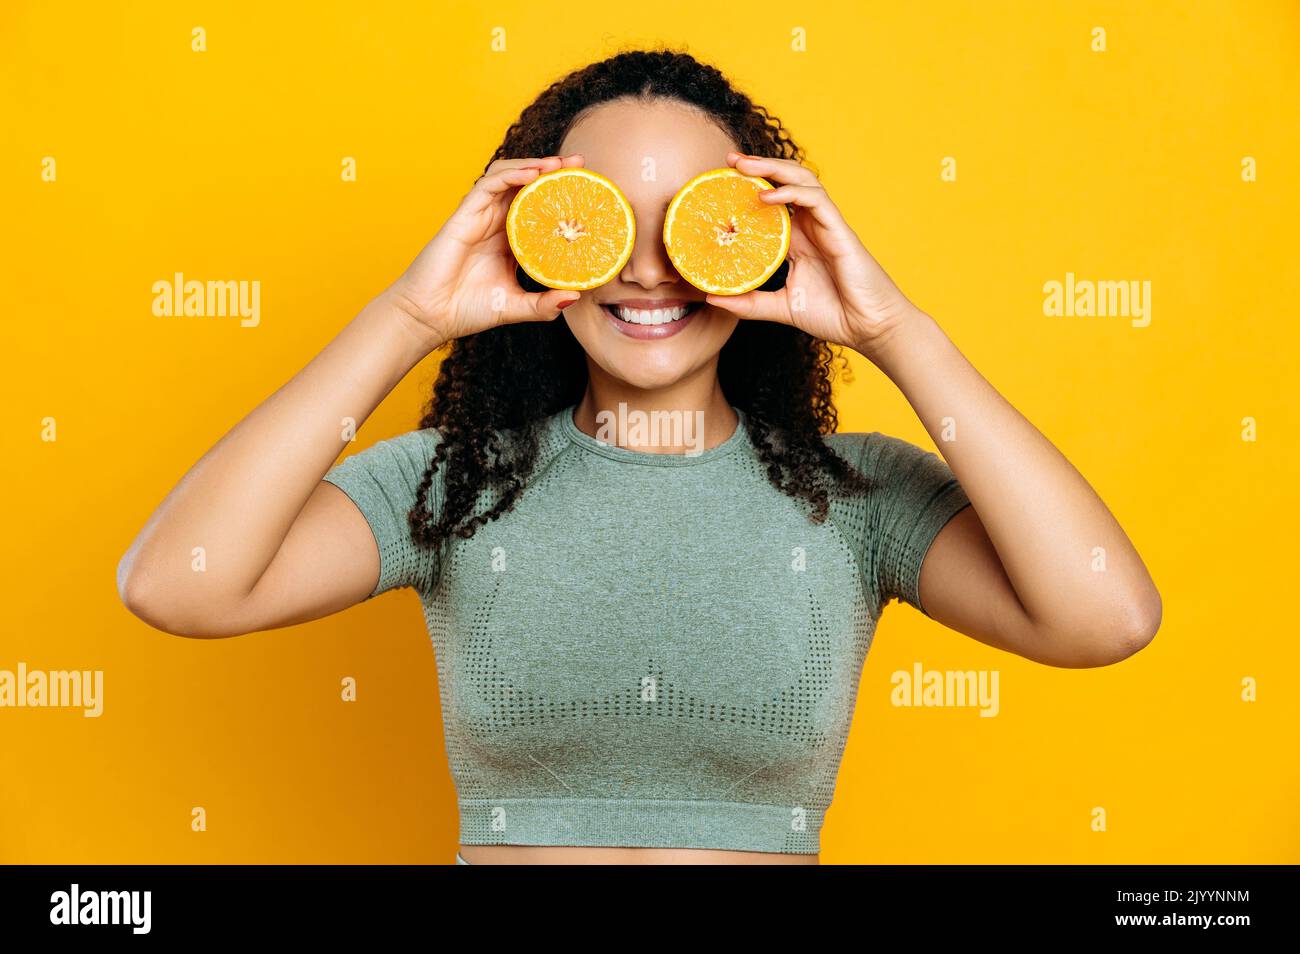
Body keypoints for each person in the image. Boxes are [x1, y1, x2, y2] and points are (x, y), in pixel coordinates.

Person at [117, 49, 1161, 865]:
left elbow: (1106, 616)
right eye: (601, 221)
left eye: (696, 224)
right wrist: (407, 315)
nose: (652, 273)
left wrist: (897, 335)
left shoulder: (851, 494)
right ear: (534, 233)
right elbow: (177, 585)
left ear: (770, 238)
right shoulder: (454, 479)